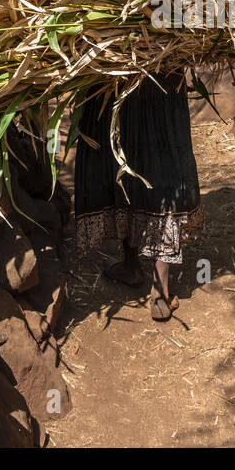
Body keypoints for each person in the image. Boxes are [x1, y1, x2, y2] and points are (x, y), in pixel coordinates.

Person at [73, 71, 202, 321]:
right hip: (160, 72)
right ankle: (159, 291)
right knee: (161, 165)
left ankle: (132, 265)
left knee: (120, 157)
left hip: (110, 73)